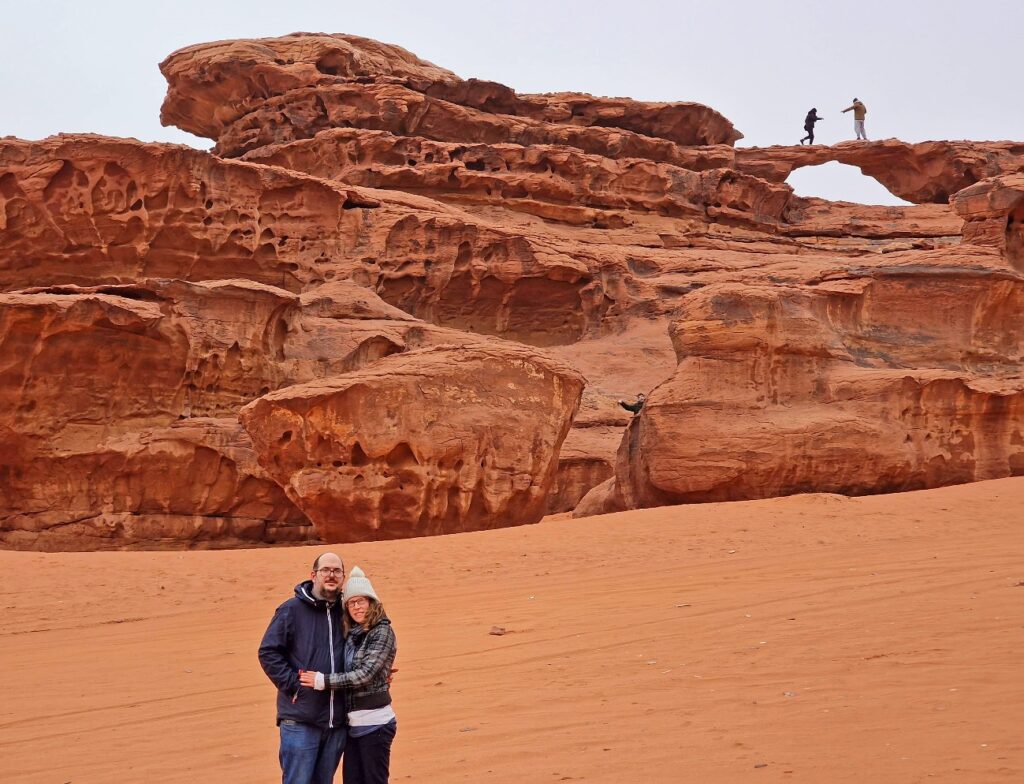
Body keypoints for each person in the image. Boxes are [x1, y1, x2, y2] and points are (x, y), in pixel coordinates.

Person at [301, 566, 398, 784]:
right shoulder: (353, 634)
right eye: (351, 603)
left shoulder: (382, 630)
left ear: (372, 602)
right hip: (354, 724)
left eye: (361, 601)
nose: (357, 607)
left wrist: (322, 681)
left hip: (376, 724)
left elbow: (364, 674)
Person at [259, 553, 347, 784]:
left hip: (336, 721)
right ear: (313, 575)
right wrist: (293, 686)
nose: (331, 575)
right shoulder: (291, 609)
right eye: (325, 570)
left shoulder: (347, 612)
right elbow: (268, 652)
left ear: (343, 577)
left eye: (336, 571)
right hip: (301, 720)